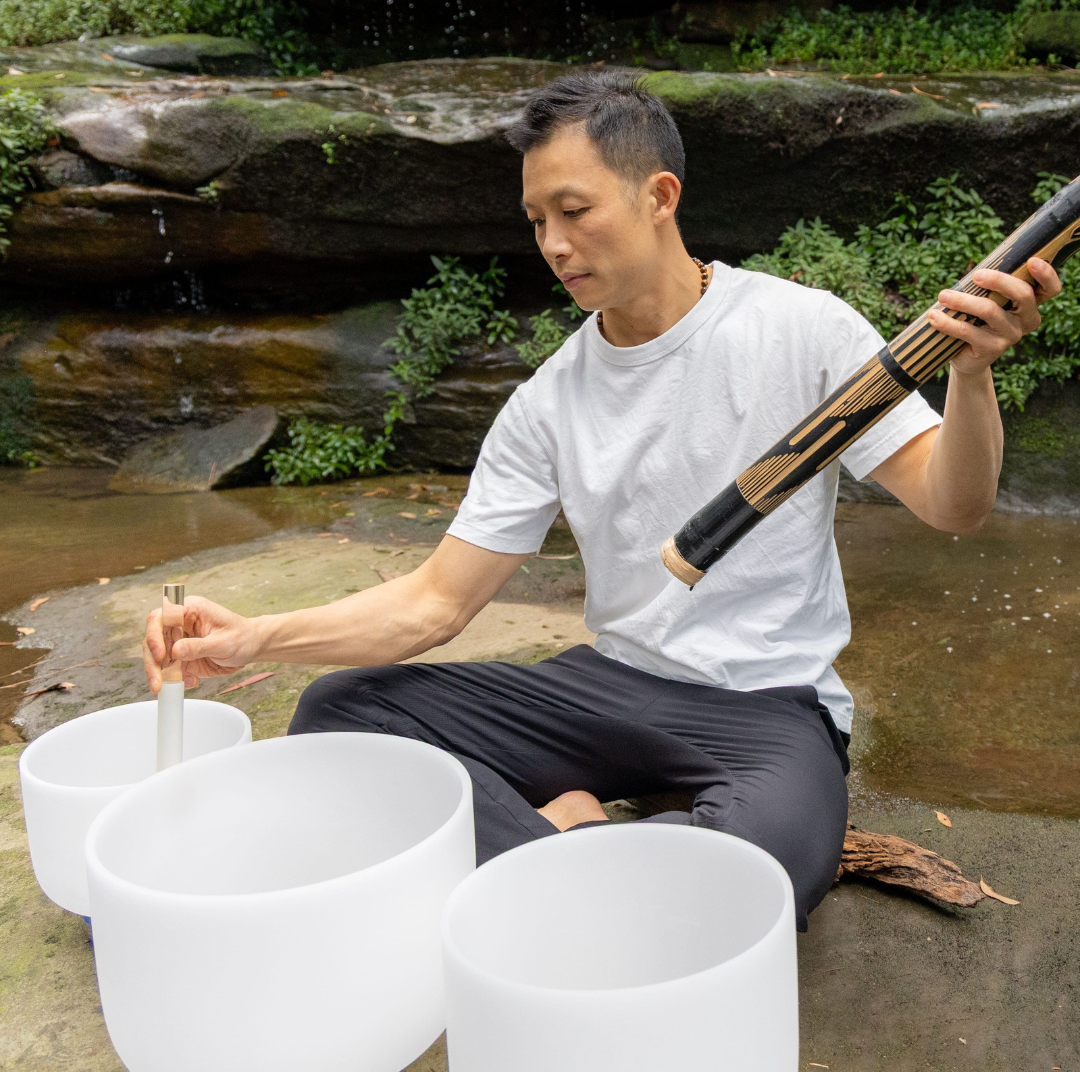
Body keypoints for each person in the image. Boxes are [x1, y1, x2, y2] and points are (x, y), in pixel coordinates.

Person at [144, 70, 1061, 930]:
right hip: (605, 687)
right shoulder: (550, 399)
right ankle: (591, 866)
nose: (552, 243)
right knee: (339, 716)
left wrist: (971, 376)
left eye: (573, 211)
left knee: (773, 861)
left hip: (765, 706)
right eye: (537, 218)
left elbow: (956, 506)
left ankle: (559, 855)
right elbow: (435, 604)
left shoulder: (800, 328)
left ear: (658, 197)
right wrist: (254, 638)